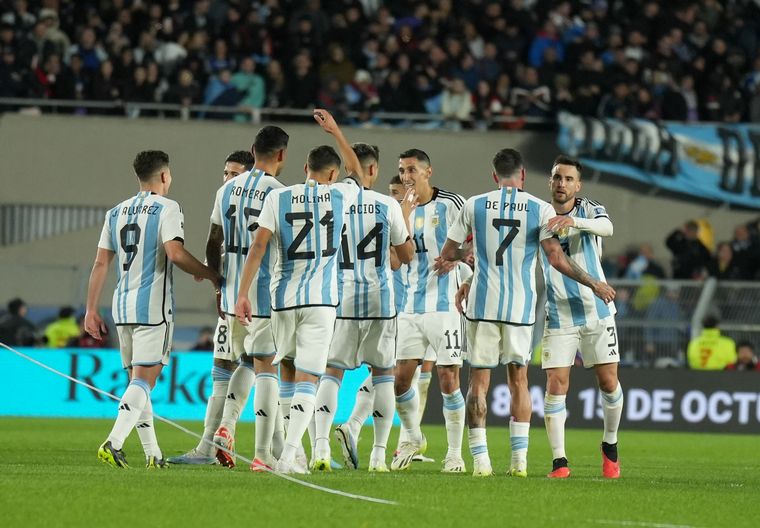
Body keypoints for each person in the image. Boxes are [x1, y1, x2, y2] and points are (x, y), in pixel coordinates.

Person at [441, 149, 615, 478]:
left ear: (495, 176)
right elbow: (556, 258)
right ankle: (519, 462)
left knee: (478, 382)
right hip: (520, 308)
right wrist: (594, 282)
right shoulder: (539, 208)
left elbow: (449, 252)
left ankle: (481, 462)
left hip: (482, 305)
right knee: (518, 381)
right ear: (522, 175)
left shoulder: (474, 204)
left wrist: (470, 258)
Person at [235, 125, 359, 475]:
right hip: (320, 301)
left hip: (282, 299)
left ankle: (295, 455)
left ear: (305, 169)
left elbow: (258, 246)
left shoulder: (279, 197)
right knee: (309, 378)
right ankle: (290, 455)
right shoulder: (341, 195)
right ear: (332, 175)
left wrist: (243, 293)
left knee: (287, 369)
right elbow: (357, 171)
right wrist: (335, 131)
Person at [84, 150, 220, 469]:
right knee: (145, 381)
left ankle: (153, 453)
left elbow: (101, 263)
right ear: (163, 176)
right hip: (152, 308)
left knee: (138, 382)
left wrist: (90, 309)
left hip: (122, 307)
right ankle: (114, 441)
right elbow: (175, 253)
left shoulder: (116, 212)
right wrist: (209, 273)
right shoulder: (167, 207)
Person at [310, 110, 414, 472]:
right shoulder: (388, 205)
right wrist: (405, 220)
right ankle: (378, 456)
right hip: (380, 300)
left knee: (331, 374)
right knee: (384, 374)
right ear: (373, 169)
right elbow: (405, 256)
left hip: (340, 298)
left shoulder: (331, 199)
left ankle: (320, 449)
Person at [168, 148, 259, 465]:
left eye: (235, 174)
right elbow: (216, 244)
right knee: (224, 368)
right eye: (226, 173)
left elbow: (215, 240)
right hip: (234, 296)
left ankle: (233, 436)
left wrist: (215, 279)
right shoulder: (233, 197)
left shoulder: (255, 196)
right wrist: (216, 279)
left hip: (252, 298)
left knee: (257, 365)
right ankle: (210, 445)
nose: (228, 179)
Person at [207, 130, 290, 471]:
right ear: (282, 155)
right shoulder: (280, 193)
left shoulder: (226, 189)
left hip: (230, 295)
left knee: (244, 361)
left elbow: (213, 240)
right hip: (263, 295)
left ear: (253, 150)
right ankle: (262, 454)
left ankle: (227, 426)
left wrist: (218, 283)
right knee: (266, 367)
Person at [536, 155, 622, 479]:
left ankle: (610, 444)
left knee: (608, 382)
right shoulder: (541, 215)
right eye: (557, 177)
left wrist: (574, 222)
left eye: (569, 179)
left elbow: (608, 228)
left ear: (578, 185)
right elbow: (554, 258)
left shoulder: (589, 209)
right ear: (550, 181)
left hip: (597, 311)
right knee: (556, 384)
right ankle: (559, 462)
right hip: (560, 313)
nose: (562, 184)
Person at [391, 149, 468, 473]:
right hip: (410, 306)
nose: (406, 176)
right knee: (400, 382)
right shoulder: (399, 210)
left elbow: (478, 243)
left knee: (448, 379)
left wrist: (457, 258)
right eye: (402, 170)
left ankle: (454, 454)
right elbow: (395, 260)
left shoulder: (452, 203)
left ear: (428, 172)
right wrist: (403, 216)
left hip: (445, 306)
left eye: (412, 170)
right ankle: (413, 437)